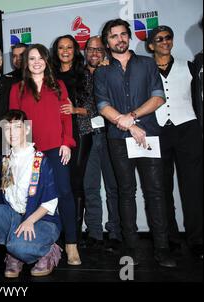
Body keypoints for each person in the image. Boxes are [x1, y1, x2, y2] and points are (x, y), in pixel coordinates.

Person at [94, 18, 176, 267]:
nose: (119, 39)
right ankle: (131, 248)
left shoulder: (147, 64)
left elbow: (158, 97)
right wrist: (127, 124)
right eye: (113, 36)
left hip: (148, 135)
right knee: (126, 193)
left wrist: (132, 117)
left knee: (155, 192)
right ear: (107, 42)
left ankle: (162, 249)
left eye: (122, 34)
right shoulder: (102, 72)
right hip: (119, 139)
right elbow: (102, 105)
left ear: (129, 37)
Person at [9, 43, 80, 265]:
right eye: (31, 58)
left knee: (65, 193)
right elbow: (13, 122)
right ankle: (24, 244)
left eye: (40, 58)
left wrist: (66, 143)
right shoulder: (17, 88)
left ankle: (71, 244)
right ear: (26, 63)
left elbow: (65, 117)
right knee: (30, 196)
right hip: (30, 151)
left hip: (56, 148)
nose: (36, 62)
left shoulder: (58, 85)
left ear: (47, 61)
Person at [147, 25, 203, 259]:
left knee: (193, 187)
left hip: (187, 130)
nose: (164, 42)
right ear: (151, 45)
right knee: (161, 188)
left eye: (168, 37)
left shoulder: (189, 66)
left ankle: (197, 240)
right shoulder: (144, 69)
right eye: (159, 39)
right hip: (158, 131)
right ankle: (168, 238)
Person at [0, 109, 62, 278]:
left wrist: (29, 220)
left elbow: (50, 203)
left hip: (42, 220)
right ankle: (15, 253)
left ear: (26, 129)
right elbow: (2, 191)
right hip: (16, 217)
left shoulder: (40, 160)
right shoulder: (5, 159)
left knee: (18, 246)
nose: (11, 133)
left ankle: (48, 250)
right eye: (7, 128)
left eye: (16, 127)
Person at [52, 35, 96, 244]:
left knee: (75, 182)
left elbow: (94, 106)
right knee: (59, 183)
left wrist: (74, 109)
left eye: (69, 47)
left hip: (80, 132)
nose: (65, 51)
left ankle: (74, 235)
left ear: (75, 50)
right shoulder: (49, 74)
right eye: (61, 47)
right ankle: (59, 230)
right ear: (56, 51)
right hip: (55, 133)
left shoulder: (84, 73)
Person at [82, 36, 121, 250]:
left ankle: (115, 232)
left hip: (112, 135)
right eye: (91, 49)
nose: (95, 53)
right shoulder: (79, 75)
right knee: (90, 187)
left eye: (99, 49)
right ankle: (95, 232)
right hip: (88, 136)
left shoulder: (113, 72)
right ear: (85, 51)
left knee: (114, 187)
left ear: (104, 51)